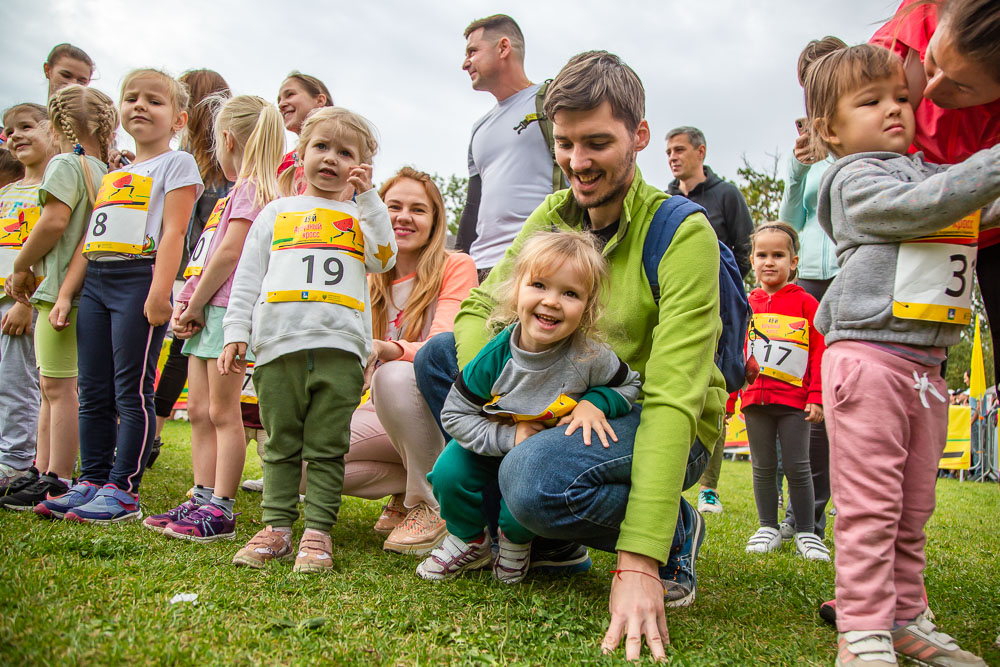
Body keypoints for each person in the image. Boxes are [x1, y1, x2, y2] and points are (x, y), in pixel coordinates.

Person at [414, 51, 726, 660]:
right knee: (438, 357)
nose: (578, 164)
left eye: (597, 143)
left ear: (639, 135)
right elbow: (480, 311)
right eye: (564, 144)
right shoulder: (555, 214)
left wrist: (639, 560)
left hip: (645, 410)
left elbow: (670, 396)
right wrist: (507, 401)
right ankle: (526, 536)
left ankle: (675, 528)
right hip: (559, 406)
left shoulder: (683, 233)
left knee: (530, 478)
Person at [804, 42, 997, 666]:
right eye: (872, 101)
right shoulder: (853, 179)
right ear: (829, 130)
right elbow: (923, 208)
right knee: (871, 506)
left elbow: (969, 204)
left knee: (914, 506)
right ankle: (862, 629)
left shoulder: (919, 173)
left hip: (927, 367)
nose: (896, 110)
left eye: (903, 99)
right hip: (869, 361)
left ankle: (906, 616)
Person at [220, 107, 396, 573]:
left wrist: (372, 197)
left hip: (341, 350)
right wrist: (236, 331)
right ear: (300, 154)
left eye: (345, 152)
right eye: (321, 146)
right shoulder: (275, 213)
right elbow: (247, 277)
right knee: (278, 442)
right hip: (278, 347)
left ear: (361, 165)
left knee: (327, 444)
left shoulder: (361, 217)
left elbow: (384, 257)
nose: (331, 159)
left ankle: (318, 532)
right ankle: (276, 527)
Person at [416, 230, 640, 585]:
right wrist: (508, 437)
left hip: (542, 451)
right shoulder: (495, 356)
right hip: (495, 437)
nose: (551, 301)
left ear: (587, 306)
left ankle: (515, 543)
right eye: (539, 285)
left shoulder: (589, 355)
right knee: (447, 472)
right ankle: (469, 539)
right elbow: (455, 415)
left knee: (525, 479)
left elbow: (629, 384)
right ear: (517, 289)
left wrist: (594, 403)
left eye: (570, 293)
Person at [42, 69, 203, 524]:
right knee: (92, 389)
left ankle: (123, 490)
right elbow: (90, 240)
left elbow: (174, 232)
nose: (140, 106)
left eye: (154, 100)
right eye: (131, 98)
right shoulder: (117, 174)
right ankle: (90, 480)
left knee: (130, 390)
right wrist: (66, 294)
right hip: (96, 280)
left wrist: (159, 293)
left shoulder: (178, 164)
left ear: (178, 118)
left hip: (139, 278)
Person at [142, 95, 283, 542]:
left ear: (226, 139)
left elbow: (229, 254)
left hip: (226, 313)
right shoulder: (230, 195)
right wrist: (186, 301)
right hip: (205, 310)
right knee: (200, 410)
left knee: (225, 412)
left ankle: (221, 507)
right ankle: (201, 496)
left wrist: (199, 302)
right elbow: (206, 255)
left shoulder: (253, 190)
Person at [339, 166, 476, 554]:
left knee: (396, 375)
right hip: (384, 411)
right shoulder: (367, 277)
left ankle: (432, 504)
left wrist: (385, 348)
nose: (403, 217)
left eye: (418, 209)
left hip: (437, 405)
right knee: (306, 462)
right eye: (393, 206)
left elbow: (446, 345)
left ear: (435, 221)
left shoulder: (455, 266)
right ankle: (407, 484)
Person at [871, 0, 1000, 388]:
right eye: (932, 62)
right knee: (909, 365)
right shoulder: (898, 37)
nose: (931, 89)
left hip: (992, 231)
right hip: (916, 226)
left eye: (961, 86)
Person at [0, 86, 117, 513]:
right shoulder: (101, 169)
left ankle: (56, 475)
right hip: (83, 289)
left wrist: (20, 265)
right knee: (53, 384)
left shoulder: (65, 165)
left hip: (56, 291)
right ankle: (41, 467)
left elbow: (54, 221)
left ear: (56, 122)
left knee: (57, 387)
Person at [777, 36, 847, 542]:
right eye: (808, 77)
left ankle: (852, 508)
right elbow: (789, 225)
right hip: (810, 283)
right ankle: (805, 516)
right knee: (804, 402)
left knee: (850, 396)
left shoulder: (860, 131)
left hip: (854, 275)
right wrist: (801, 165)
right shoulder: (808, 149)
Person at [665, 125, 753, 517]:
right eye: (668, 151)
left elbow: (746, 252)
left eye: (680, 149)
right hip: (674, 308)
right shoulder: (665, 199)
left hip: (719, 312)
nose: (672, 156)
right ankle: (669, 476)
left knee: (715, 392)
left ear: (701, 151)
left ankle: (709, 488)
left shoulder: (726, 195)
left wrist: (723, 290)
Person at [730, 222, 828, 561]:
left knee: (799, 467)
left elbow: (819, 353)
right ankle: (768, 526)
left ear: (794, 261)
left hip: (794, 405)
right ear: (752, 260)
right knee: (763, 466)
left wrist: (816, 397)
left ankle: (806, 532)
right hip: (755, 401)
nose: (769, 262)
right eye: (762, 254)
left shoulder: (807, 304)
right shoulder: (744, 304)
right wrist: (730, 398)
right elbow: (733, 353)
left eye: (778, 255)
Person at [150, 68, 232, 467]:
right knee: (170, 355)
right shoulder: (178, 160)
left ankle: (155, 431)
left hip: (197, 278)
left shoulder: (224, 172)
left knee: (182, 356)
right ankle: (150, 431)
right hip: (170, 270)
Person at [454, 14, 562, 280]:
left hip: (536, 262)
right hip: (481, 269)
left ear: (503, 48)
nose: (465, 63)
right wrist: (457, 263)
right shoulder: (479, 128)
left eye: (473, 51)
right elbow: (472, 204)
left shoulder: (550, 102)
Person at [0, 103, 56, 495]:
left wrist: (24, 302)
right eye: (9, 129)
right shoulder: (8, 191)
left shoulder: (50, 192)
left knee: (16, 382)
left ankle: (16, 460)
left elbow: (48, 253)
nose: (16, 135)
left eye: (25, 126)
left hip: (23, 304)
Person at [276, 72, 333, 196]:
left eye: (290, 94)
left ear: (320, 100)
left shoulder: (345, 151)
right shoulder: (284, 163)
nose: (281, 104)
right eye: (279, 100)